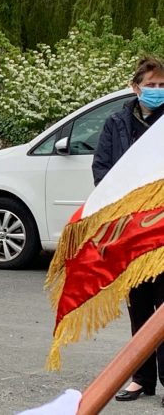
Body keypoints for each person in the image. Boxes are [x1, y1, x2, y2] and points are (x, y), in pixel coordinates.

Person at [92, 56, 164, 404]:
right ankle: (141, 378)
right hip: (131, 231)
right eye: (151, 85)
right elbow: (102, 169)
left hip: (162, 232)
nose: (157, 91)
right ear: (136, 87)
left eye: (163, 86)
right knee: (139, 304)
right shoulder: (117, 123)